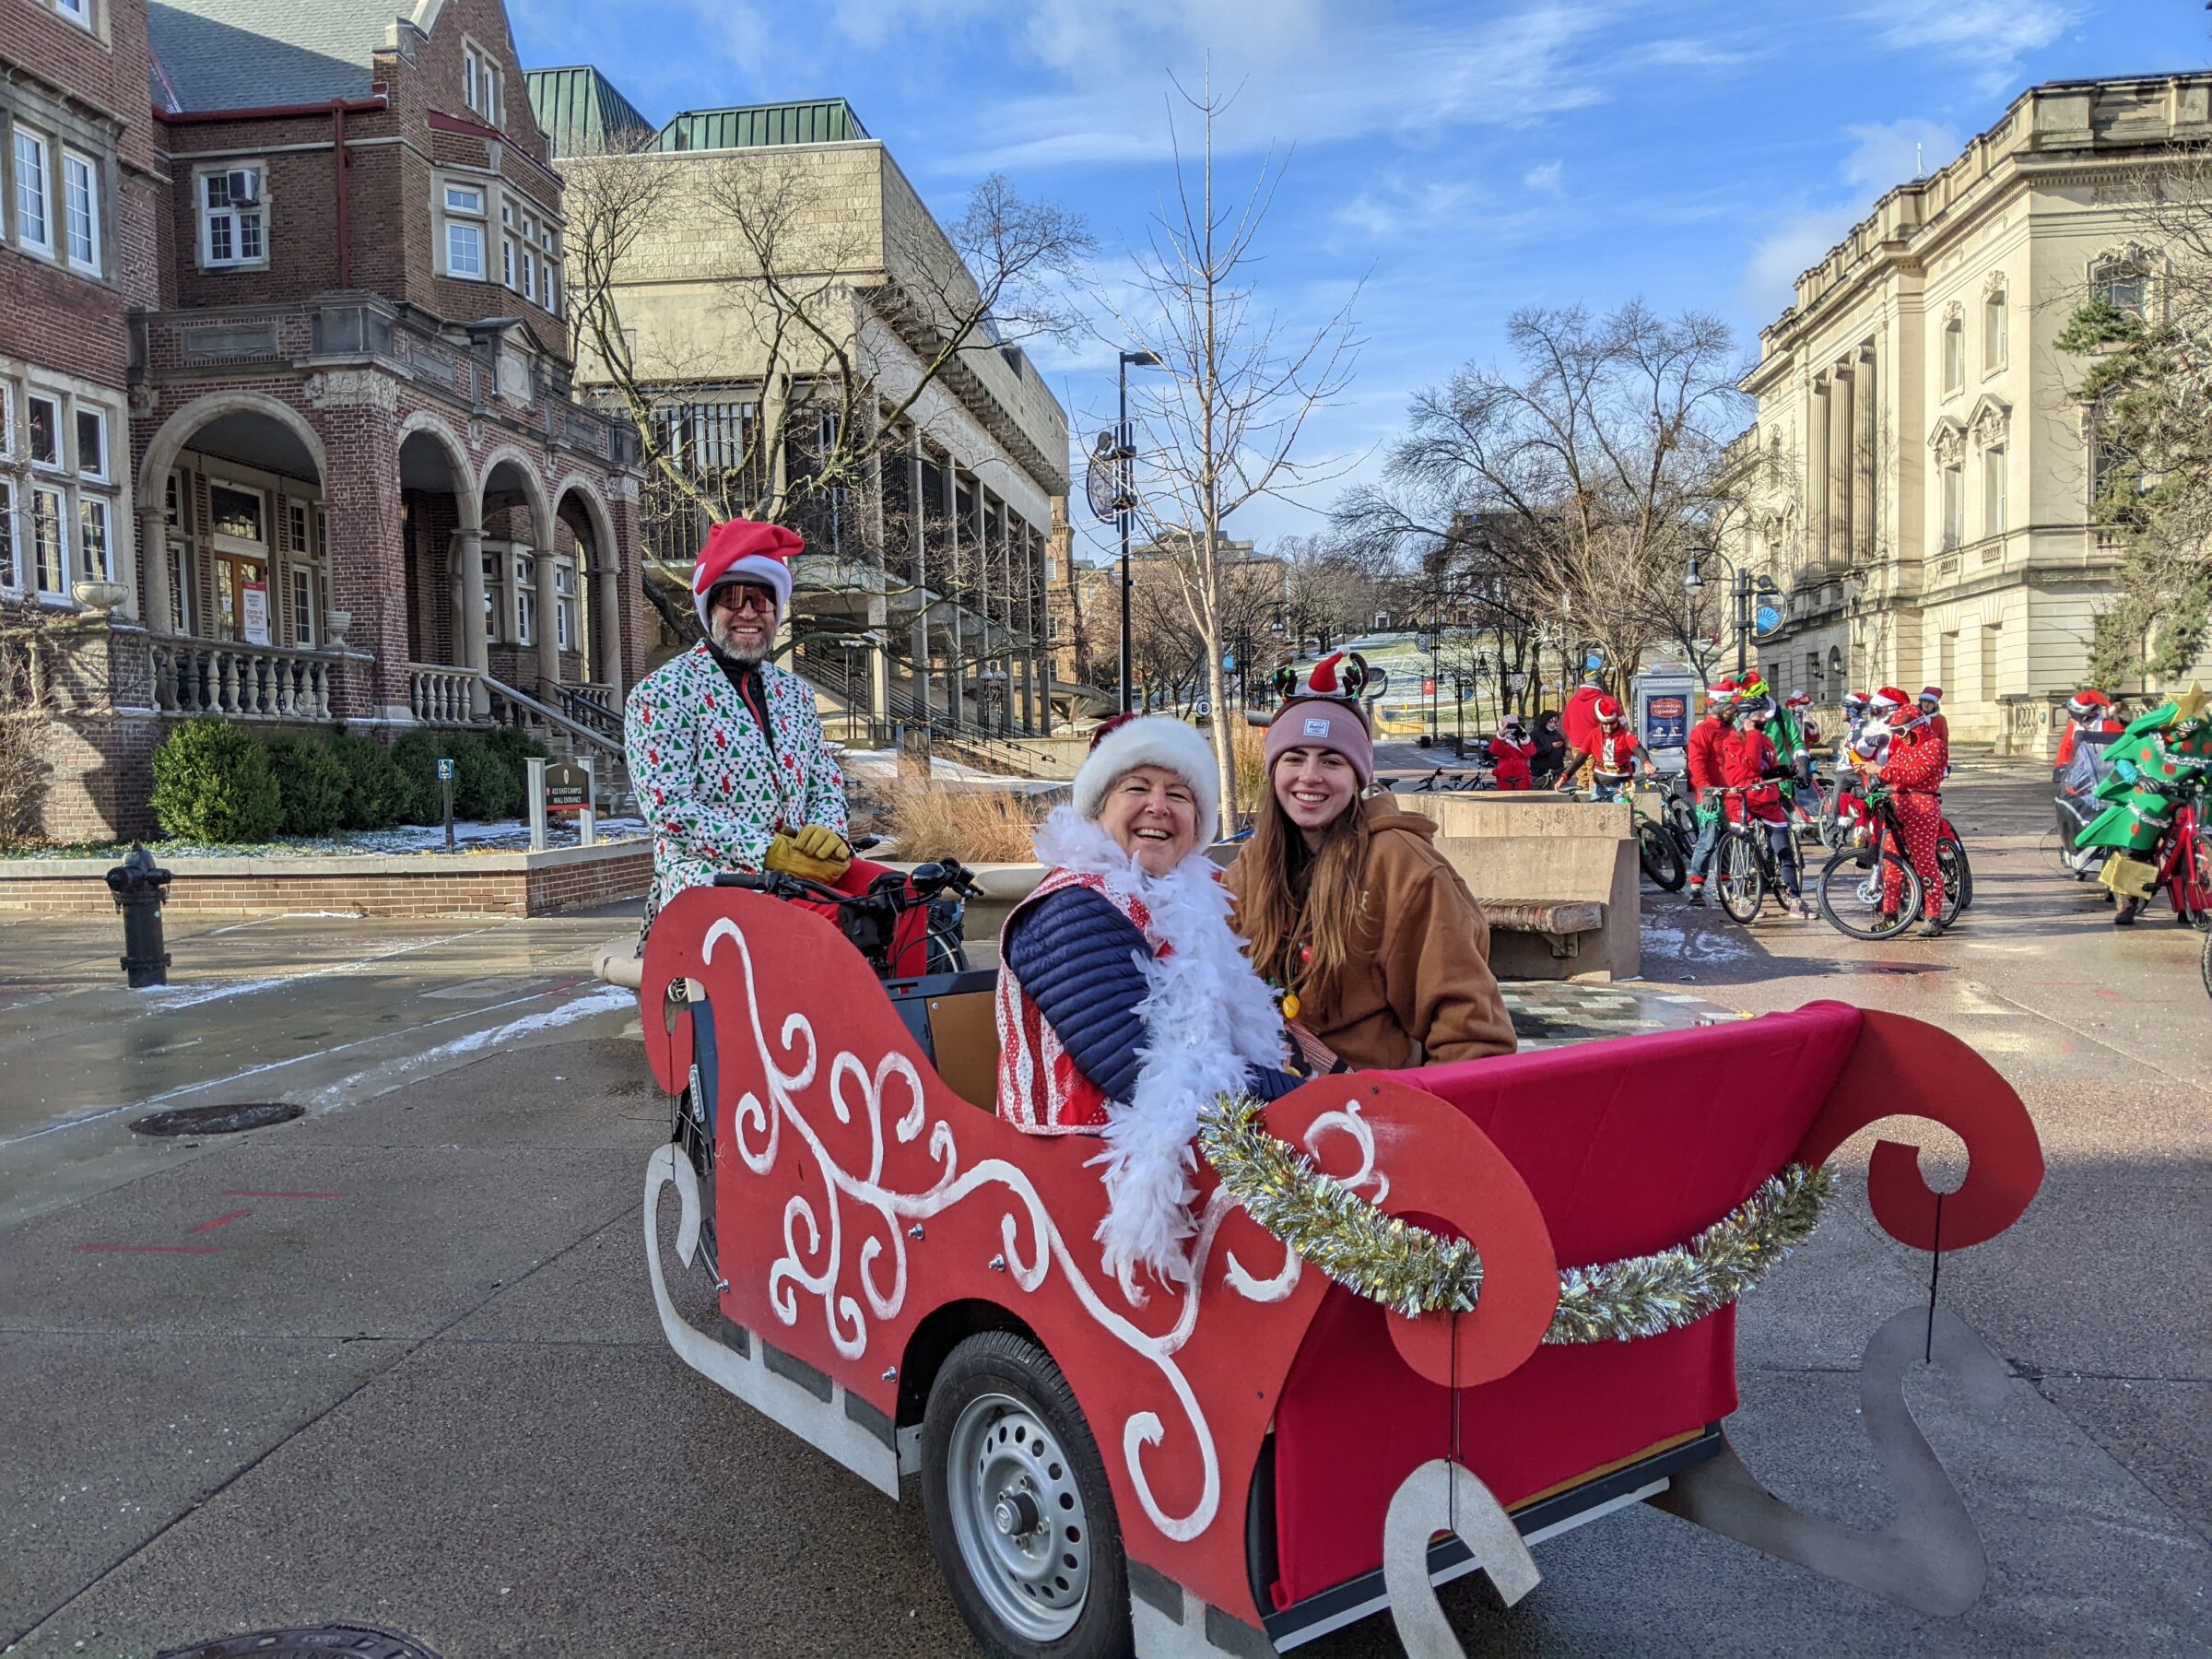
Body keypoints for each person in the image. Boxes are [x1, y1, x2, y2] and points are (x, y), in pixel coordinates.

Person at [995, 713, 1300, 1297]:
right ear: (1098, 809)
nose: (1159, 807)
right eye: (1137, 788)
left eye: (1179, 794)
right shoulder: (1071, 910)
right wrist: (1306, 1098)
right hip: (1075, 1188)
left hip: (1186, 1159)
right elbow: (1149, 1071)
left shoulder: (1185, 905)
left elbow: (1223, 1043)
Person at [625, 519, 918, 959]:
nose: (747, 612)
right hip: (713, 880)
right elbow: (669, 808)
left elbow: (824, 782)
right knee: (829, 926)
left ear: (776, 610)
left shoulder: (795, 693)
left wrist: (829, 834)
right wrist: (769, 853)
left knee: (903, 898)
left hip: (802, 875)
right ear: (709, 608)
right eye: (731, 598)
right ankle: (838, 1027)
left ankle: (900, 1019)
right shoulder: (660, 693)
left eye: (760, 599)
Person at [1226, 665, 1516, 1076]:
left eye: (1331, 761)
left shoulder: (1404, 869)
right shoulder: (1253, 865)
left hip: (1366, 1115)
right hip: (1259, 1113)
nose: (1310, 777)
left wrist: (1418, 1126)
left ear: (1358, 775)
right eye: (1294, 758)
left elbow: (1472, 1038)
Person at [1866, 683, 1949, 936]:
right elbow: (1893, 769)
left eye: (1901, 731)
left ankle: (1933, 916)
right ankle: (1890, 916)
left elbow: (1915, 775)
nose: (1899, 736)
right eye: (1896, 732)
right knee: (1892, 864)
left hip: (1922, 806)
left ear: (1914, 726)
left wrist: (1882, 772)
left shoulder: (1934, 745)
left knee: (1925, 864)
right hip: (1898, 804)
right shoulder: (1903, 747)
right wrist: (1874, 778)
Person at [1725, 697, 1815, 918]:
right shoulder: (1732, 741)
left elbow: (1768, 768)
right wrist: (1753, 735)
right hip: (1743, 800)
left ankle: (1795, 898)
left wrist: (1787, 771)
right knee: (1742, 852)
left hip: (1768, 799)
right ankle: (1741, 897)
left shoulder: (1765, 739)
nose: (1764, 720)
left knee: (1784, 848)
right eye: (1759, 717)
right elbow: (1752, 765)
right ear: (1746, 719)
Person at [1683, 677, 1740, 907]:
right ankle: (1697, 886)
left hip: (1733, 793)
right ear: (1718, 707)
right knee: (1707, 841)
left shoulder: (1732, 729)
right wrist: (1706, 789)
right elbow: (1696, 763)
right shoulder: (1703, 731)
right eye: (1730, 707)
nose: (1734, 711)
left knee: (1729, 839)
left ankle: (1725, 884)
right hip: (1711, 795)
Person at [1587, 695, 1649, 801]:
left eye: (1612, 723)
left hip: (1623, 783)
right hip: (1600, 784)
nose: (1608, 727)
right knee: (1597, 814)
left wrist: (1646, 762)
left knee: (1624, 814)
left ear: (1617, 720)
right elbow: (1580, 757)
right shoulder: (1594, 734)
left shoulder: (1625, 734)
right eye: (1605, 724)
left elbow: (1638, 748)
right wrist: (1565, 776)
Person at [1559, 669, 1608, 789]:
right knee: (1595, 776)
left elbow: (1565, 722)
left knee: (1582, 777)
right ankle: (1594, 802)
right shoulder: (1601, 700)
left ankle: (1583, 802)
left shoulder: (1573, 700)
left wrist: (1571, 739)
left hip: (1577, 744)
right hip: (1595, 744)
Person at [1488, 719, 1536, 790]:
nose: (1511, 729)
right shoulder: (1501, 741)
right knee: (1505, 797)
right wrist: (1501, 735)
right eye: (1509, 726)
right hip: (1505, 774)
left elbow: (1532, 752)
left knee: (1524, 796)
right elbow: (1494, 751)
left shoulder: (1522, 740)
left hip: (1522, 774)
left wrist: (1524, 737)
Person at [1528, 709, 1568, 784]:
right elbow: (1532, 751)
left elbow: (1563, 751)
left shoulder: (1557, 734)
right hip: (1540, 774)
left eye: (1555, 722)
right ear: (1545, 721)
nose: (1553, 725)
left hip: (1557, 772)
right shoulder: (1535, 734)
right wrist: (1550, 746)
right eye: (1551, 722)